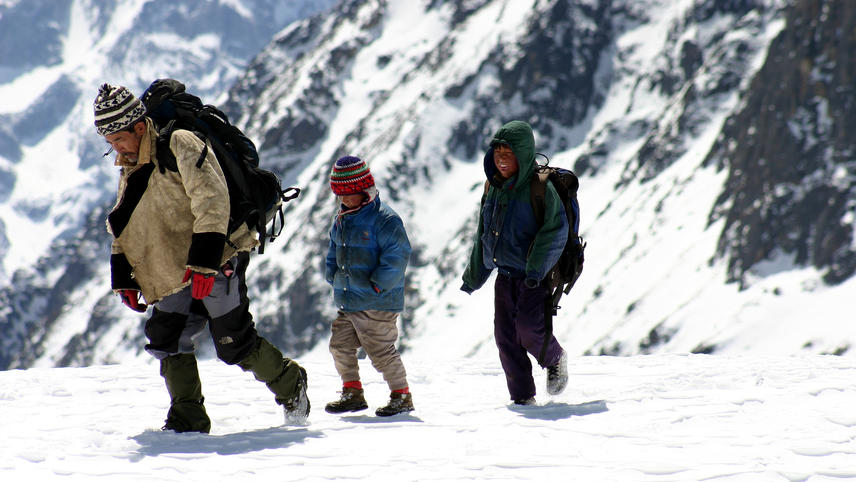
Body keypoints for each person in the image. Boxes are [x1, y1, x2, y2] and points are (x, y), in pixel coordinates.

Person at [95, 83, 309, 432]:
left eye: (118, 139)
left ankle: (290, 382)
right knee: (167, 336)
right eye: (110, 143)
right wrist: (125, 279)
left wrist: (205, 264)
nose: (116, 150)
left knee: (233, 343)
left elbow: (212, 202)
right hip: (176, 267)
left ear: (138, 127)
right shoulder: (132, 164)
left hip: (218, 258)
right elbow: (125, 222)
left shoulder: (180, 143)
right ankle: (187, 418)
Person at [460, 120, 569, 405]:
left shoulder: (541, 188)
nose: (501, 159)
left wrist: (535, 269)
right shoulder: (493, 186)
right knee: (506, 338)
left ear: (522, 154)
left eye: (508, 154)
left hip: (535, 277)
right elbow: (483, 233)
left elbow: (556, 231)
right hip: (505, 275)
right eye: (497, 153)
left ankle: (554, 358)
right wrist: (474, 276)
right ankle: (522, 398)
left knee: (529, 330)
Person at [324, 156, 414, 417]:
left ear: (363, 189)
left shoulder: (385, 219)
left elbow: (397, 257)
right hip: (350, 299)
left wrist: (377, 286)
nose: (345, 199)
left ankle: (402, 395)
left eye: (350, 193)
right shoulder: (342, 219)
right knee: (340, 345)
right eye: (340, 193)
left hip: (378, 301)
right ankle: (352, 392)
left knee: (380, 351)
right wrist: (333, 276)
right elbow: (334, 251)